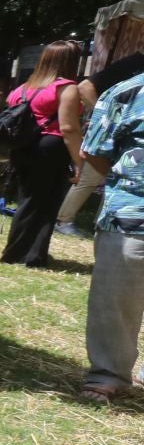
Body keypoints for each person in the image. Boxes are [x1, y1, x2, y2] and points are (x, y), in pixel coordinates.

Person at [79, 67, 144, 401]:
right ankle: (109, 372)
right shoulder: (126, 92)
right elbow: (95, 150)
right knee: (116, 300)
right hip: (131, 216)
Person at [0, 41, 82, 267]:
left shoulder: (23, 88)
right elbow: (68, 128)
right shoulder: (66, 87)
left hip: (22, 147)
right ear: (71, 61)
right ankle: (21, 254)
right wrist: (79, 160)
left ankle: (32, 252)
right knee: (45, 202)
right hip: (50, 147)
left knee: (29, 199)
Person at [56, 54, 144, 238]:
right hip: (109, 135)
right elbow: (85, 87)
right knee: (90, 177)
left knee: (117, 179)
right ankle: (64, 220)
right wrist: (107, 116)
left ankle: (103, 224)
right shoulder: (135, 62)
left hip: (129, 138)